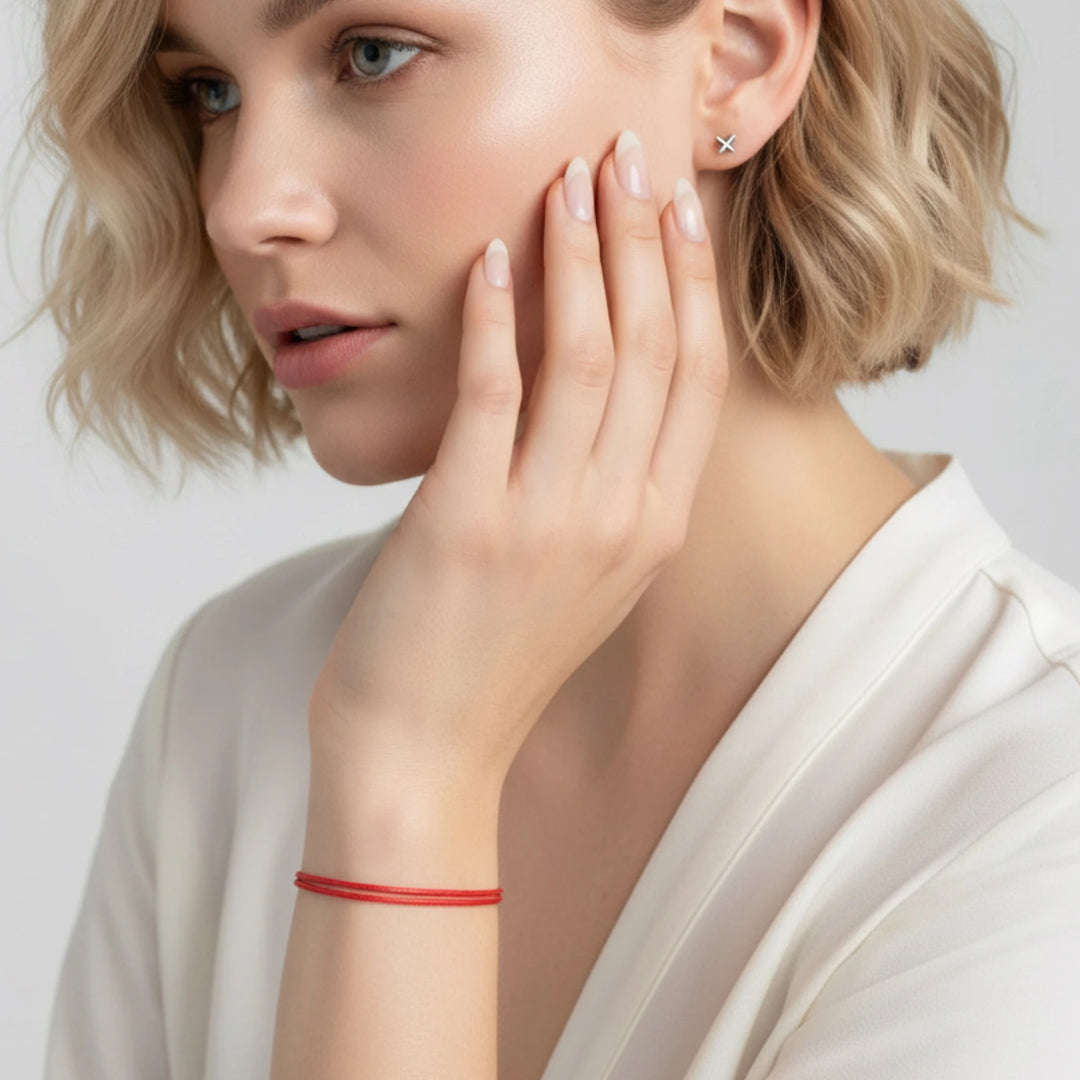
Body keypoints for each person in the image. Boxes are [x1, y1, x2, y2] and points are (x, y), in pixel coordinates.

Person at [12, 0, 1079, 1075]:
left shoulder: (1032, 810)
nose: (244, 207)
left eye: (371, 55)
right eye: (211, 92)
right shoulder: (228, 697)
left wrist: (411, 781)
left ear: (737, 61)